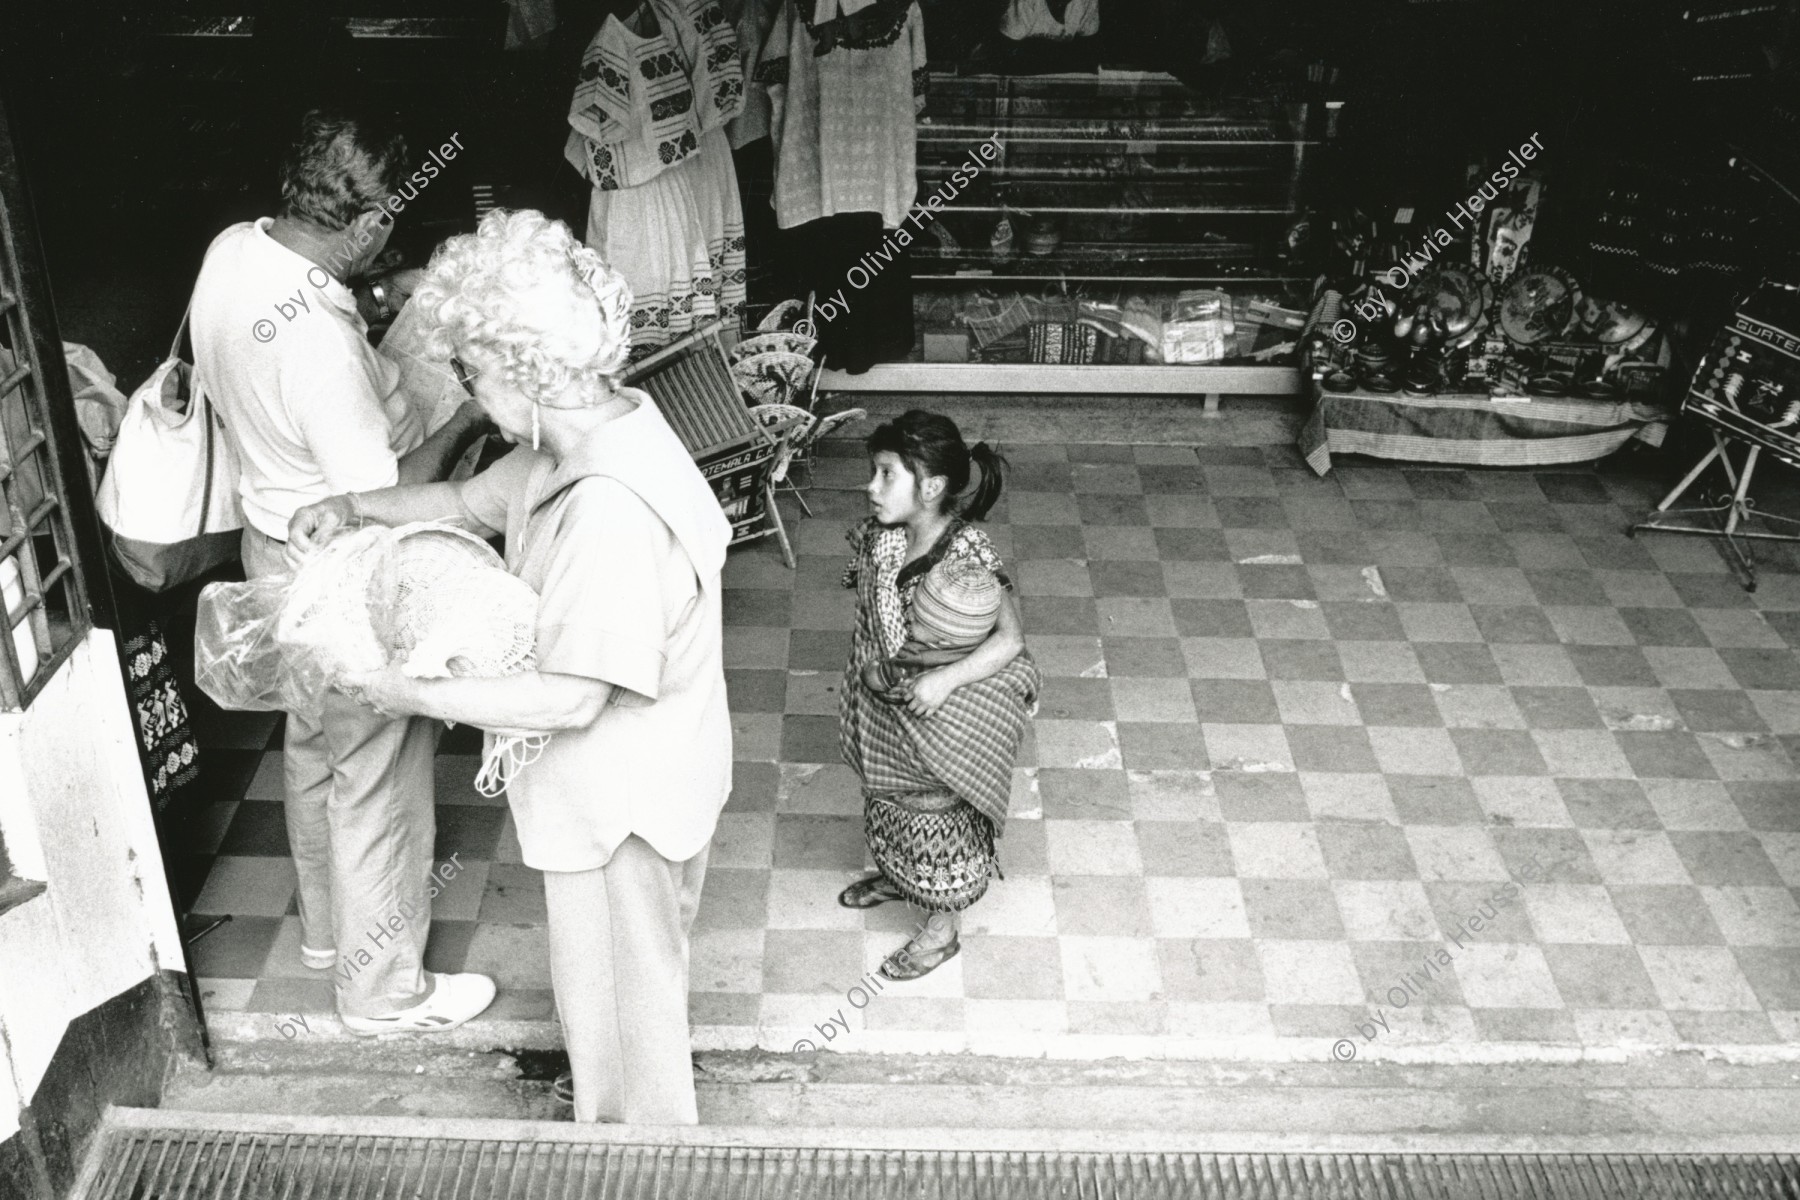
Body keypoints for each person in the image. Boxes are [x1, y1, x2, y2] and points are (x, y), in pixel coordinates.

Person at [287, 208, 732, 1125]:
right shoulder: (590, 433)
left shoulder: (609, 508)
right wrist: (353, 507)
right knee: (615, 1007)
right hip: (621, 793)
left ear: (527, 370)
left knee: (629, 1041)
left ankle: (642, 1167)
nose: (467, 390)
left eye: (473, 370)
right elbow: (462, 499)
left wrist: (397, 690)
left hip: (624, 815)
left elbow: (571, 700)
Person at [191, 109, 494, 1034]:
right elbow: (385, 493)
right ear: (365, 227)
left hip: (270, 541)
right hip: (341, 566)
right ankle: (382, 992)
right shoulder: (318, 342)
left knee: (316, 749)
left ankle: (328, 934)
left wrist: (369, 309)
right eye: (386, 232)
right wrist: (469, 419)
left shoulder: (235, 250)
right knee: (379, 774)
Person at [836, 410, 1039, 980]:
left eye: (885, 475)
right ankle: (902, 879)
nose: (870, 488)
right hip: (886, 710)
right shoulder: (885, 536)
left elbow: (1011, 641)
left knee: (933, 819)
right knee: (888, 803)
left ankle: (940, 930)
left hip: (936, 720)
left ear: (930, 487)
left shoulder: (967, 554)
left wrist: (944, 679)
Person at [859, 556, 1004, 701]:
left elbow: (876, 680)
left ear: (944, 639)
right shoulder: (990, 645)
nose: (908, 614)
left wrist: (871, 668)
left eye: (917, 620)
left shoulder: (915, 655)